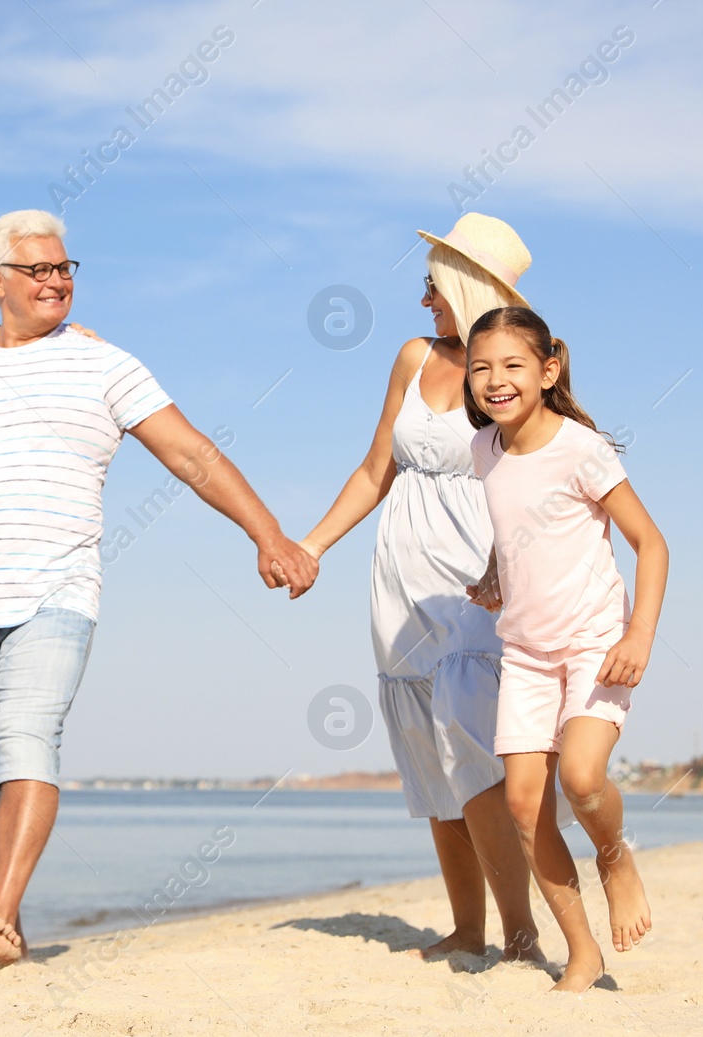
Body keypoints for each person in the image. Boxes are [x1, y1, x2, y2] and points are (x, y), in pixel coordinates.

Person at [0, 209, 317, 973]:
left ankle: (2, 913)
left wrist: (268, 534)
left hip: (58, 590)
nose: (56, 280)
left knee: (29, 739)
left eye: (66, 268)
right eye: (38, 269)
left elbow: (194, 455)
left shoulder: (105, 364)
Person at [295, 213, 546, 965]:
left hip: (476, 578)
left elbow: (540, 474)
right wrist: (310, 544)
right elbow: (376, 468)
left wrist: (517, 569)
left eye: (434, 281)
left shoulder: (511, 364)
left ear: (468, 282)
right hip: (400, 579)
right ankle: (469, 927)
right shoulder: (412, 357)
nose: (424, 296)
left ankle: (523, 932)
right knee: (429, 755)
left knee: (472, 749)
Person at [464, 305, 669, 992]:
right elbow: (515, 521)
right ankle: (582, 949)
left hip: (593, 642)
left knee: (582, 778)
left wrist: (638, 632)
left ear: (548, 370)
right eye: (481, 367)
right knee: (525, 804)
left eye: (513, 365)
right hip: (524, 650)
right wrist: (496, 572)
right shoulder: (484, 449)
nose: (496, 380)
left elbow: (651, 541)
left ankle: (614, 854)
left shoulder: (581, 448)